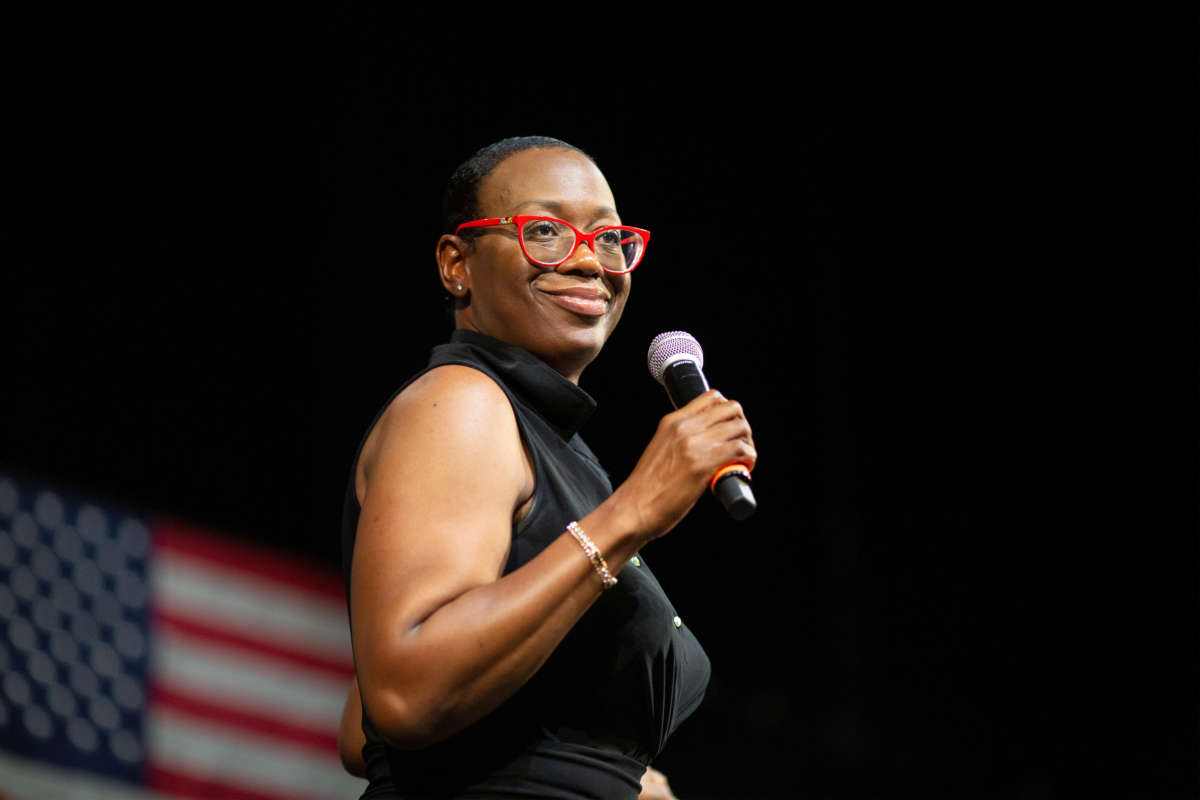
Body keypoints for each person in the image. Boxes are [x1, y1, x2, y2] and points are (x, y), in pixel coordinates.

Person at [339, 136, 756, 798]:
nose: (591, 260)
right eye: (545, 231)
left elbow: (361, 732)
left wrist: (621, 779)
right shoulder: (462, 405)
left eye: (611, 238)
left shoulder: (553, 445)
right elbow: (401, 696)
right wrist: (635, 512)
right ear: (457, 264)